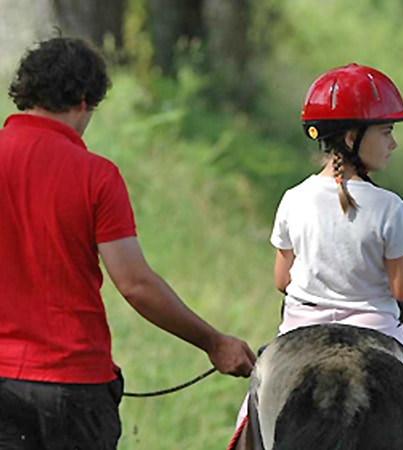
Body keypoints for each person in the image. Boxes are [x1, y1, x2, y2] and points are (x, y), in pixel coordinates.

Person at [0, 36, 256, 449]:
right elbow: (134, 284)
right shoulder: (95, 175)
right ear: (83, 100)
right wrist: (214, 343)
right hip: (74, 387)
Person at [236, 63, 403, 449]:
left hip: (298, 328)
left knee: (247, 421)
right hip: (377, 329)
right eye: (387, 132)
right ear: (351, 136)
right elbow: (402, 287)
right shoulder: (389, 207)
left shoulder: (293, 199)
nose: (393, 143)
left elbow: (282, 280)